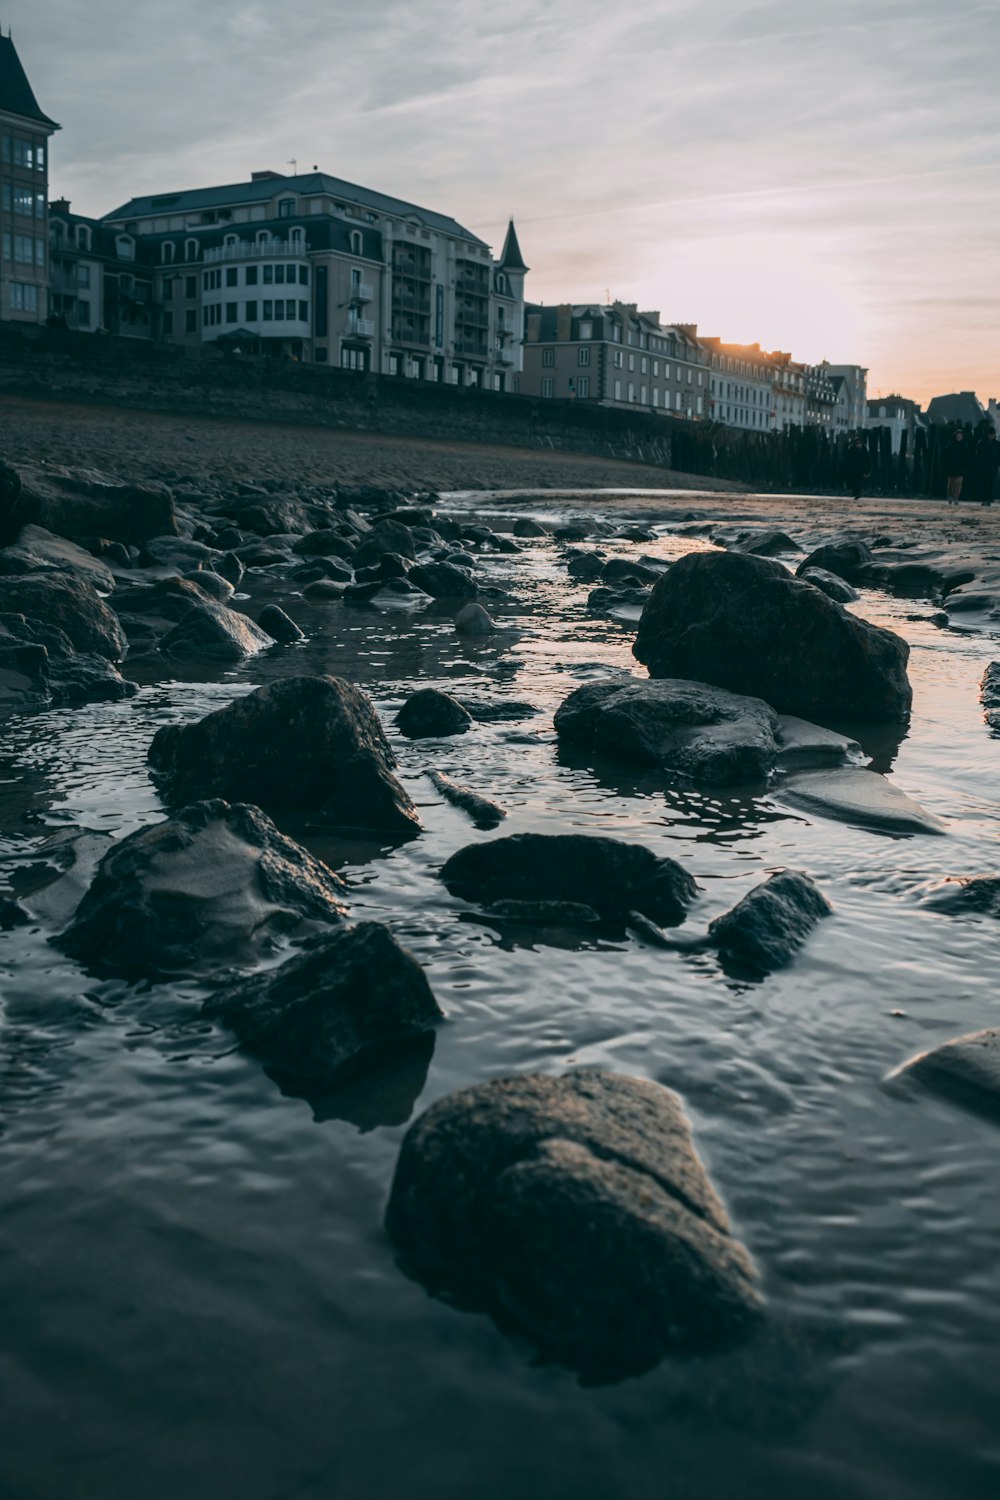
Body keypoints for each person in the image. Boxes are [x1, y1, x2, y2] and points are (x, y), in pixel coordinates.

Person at [971, 427, 1000, 506]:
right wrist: (978, 464)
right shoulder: (981, 443)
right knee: (984, 484)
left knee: (991, 484)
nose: (991, 436)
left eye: (992, 434)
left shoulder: (997, 444)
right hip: (983, 467)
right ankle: (984, 499)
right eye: (990, 434)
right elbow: (978, 455)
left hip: (992, 467)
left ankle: (988, 499)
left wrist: (997, 463)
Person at [942, 428, 968, 503]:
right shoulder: (950, 445)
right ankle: (950, 496)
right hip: (951, 467)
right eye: (958, 435)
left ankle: (956, 497)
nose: (959, 437)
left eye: (960, 436)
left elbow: (967, 457)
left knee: (958, 484)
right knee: (950, 484)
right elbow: (945, 456)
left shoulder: (964, 446)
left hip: (960, 468)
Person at [844, 436, 869, 500]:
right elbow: (848, 460)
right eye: (857, 443)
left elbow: (867, 460)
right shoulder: (852, 449)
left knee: (859, 482)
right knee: (854, 482)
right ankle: (855, 493)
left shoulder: (864, 449)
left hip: (861, 469)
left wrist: (867, 471)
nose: (858, 445)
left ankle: (858, 494)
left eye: (859, 443)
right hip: (853, 468)